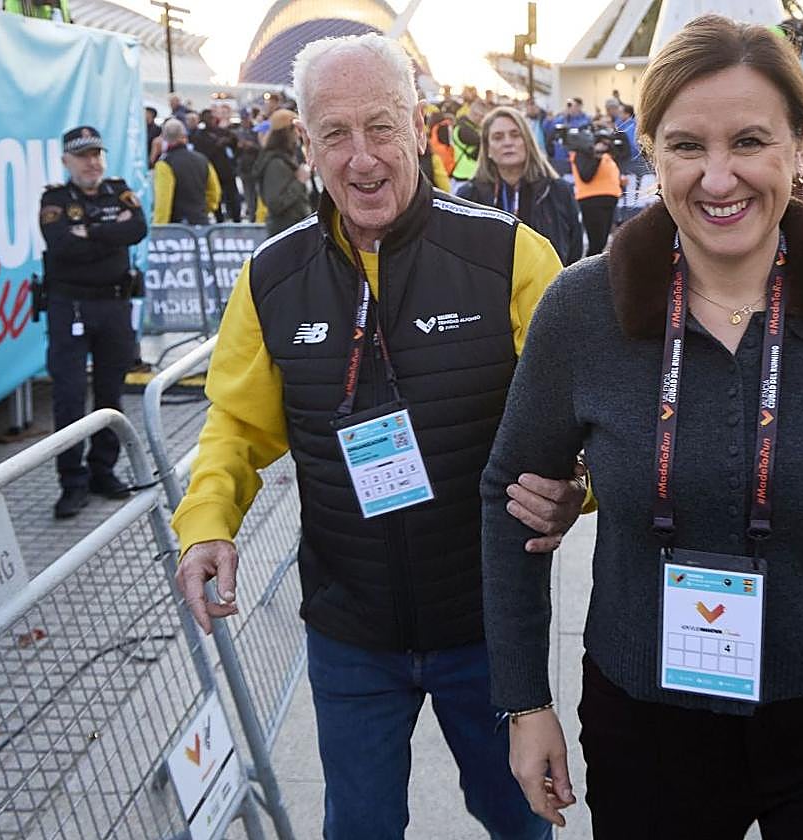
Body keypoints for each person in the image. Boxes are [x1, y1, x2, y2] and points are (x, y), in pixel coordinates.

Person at [481, 15, 803, 836]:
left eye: (749, 141)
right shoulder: (580, 311)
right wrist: (524, 702)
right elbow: (510, 500)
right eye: (687, 146)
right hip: (652, 722)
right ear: (651, 151)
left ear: (801, 146)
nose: (719, 179)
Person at [171, 32, 587, 840]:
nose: (361, 158)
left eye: (381, 126)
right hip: (349, 631)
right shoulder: (271, 278)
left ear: (420, 124)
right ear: (305, 143)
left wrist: (581, 485)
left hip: (487, 627)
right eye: (334, 133)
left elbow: (590, 412)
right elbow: (234, 423)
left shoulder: (510, 256)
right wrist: (207, 525)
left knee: (520, 821)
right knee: (358, 826)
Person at [38, 126, 148, 518]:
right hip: (71, 308)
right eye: (83, 155)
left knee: (110, 393)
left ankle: (104, 470)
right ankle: (72, 481)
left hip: (114, 308)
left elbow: (136, 229)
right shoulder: (55, 198)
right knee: (68, 396)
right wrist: (109, 236)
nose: (92, 162)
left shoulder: (117, 190)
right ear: (67, 161)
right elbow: (62, 245)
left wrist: (93, 231)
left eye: (97, 154)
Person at [457, 106, 583, 266]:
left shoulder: (557, 190)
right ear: (487, 148)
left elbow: (574, 250)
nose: (508, 142)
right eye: (498, 137)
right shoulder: (470, 197)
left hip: (547, 287)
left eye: (515, 135)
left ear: (528, 142)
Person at [153, 119, 220, 225]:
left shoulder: (164, 164)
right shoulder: (202, 159)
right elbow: (214, 192)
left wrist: (159, 226)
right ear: (185, 137)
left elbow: (163, 199)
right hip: (200, 221)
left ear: (164, 138)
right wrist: (204, 209)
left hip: (176, 226)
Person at [570, 132, 622, 256]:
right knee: (596, 244)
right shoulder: (583, 154)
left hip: (608, 201)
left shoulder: (607, 157)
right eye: (603, 141)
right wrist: (597, 156)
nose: (606, 145)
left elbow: (622, 152)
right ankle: (589, 272)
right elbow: (586, 176)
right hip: (592, 201)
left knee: (601, 242)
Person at [254, 125, 311, 237]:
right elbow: (275, 204)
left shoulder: (289, 157)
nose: (298, 135)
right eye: (295, 130)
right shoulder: (276, 163)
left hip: (296, 227)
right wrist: (299, 182)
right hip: (286, 230)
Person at [191, 109, 242, 222]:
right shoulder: (199, 135)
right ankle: (219, 218)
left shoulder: (222, 132)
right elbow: (201, 153)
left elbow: (235, 145)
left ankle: (236, 218)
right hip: (212, 170)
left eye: (213, 117)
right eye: (209, 118)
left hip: (227, 170)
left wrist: (230, 142)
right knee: (216, 196)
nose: (212, 120)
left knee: (233, 196)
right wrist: (216, 145)